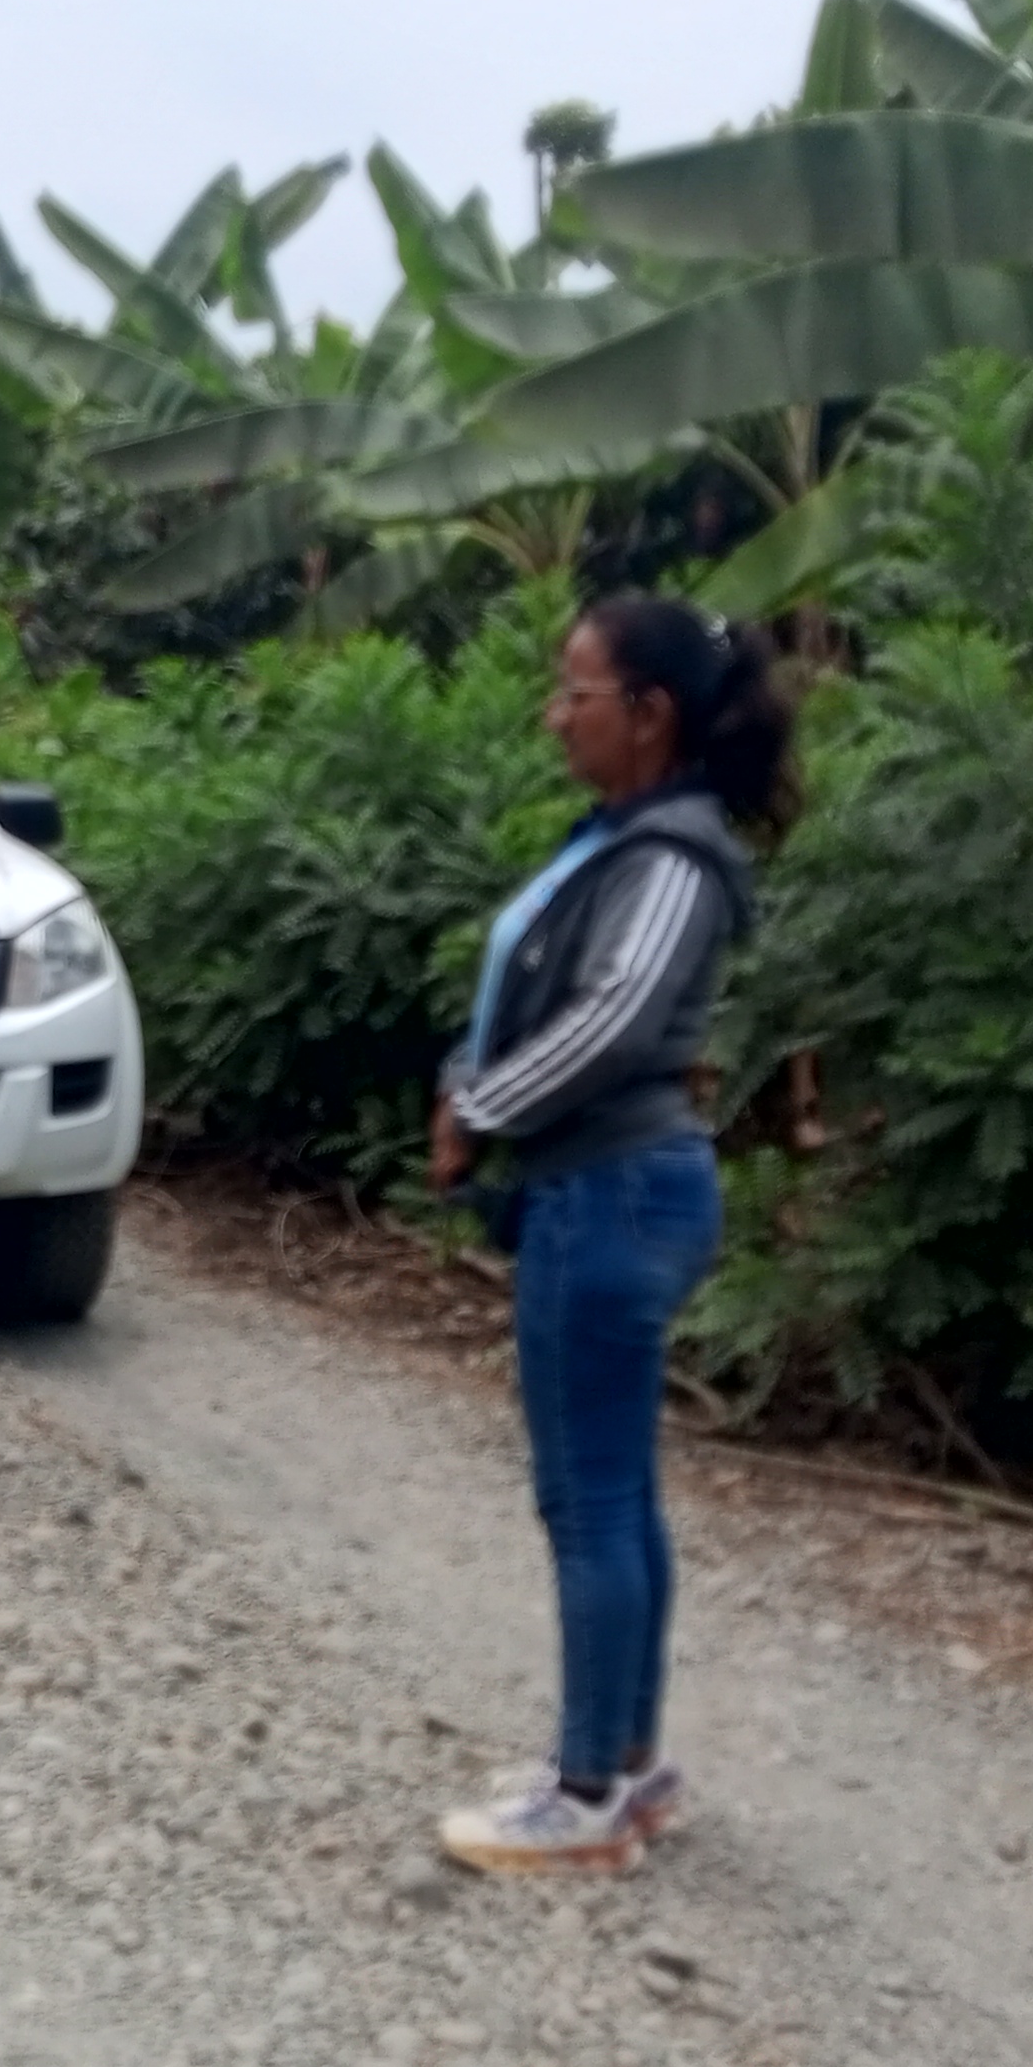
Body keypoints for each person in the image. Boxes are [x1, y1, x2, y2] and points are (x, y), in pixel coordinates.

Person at [428, 596, 791, 1876]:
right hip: (609, 1187)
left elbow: (610, 1020)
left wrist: (478, 1108)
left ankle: (583, 1797)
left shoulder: (668, 860)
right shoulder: (628, 840)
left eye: (573, 693)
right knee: (614, 1491)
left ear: (648, 714)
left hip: (612, 1192)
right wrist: (468, 1081)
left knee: (586, 1498)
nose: (553, 714)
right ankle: (624, 1766)